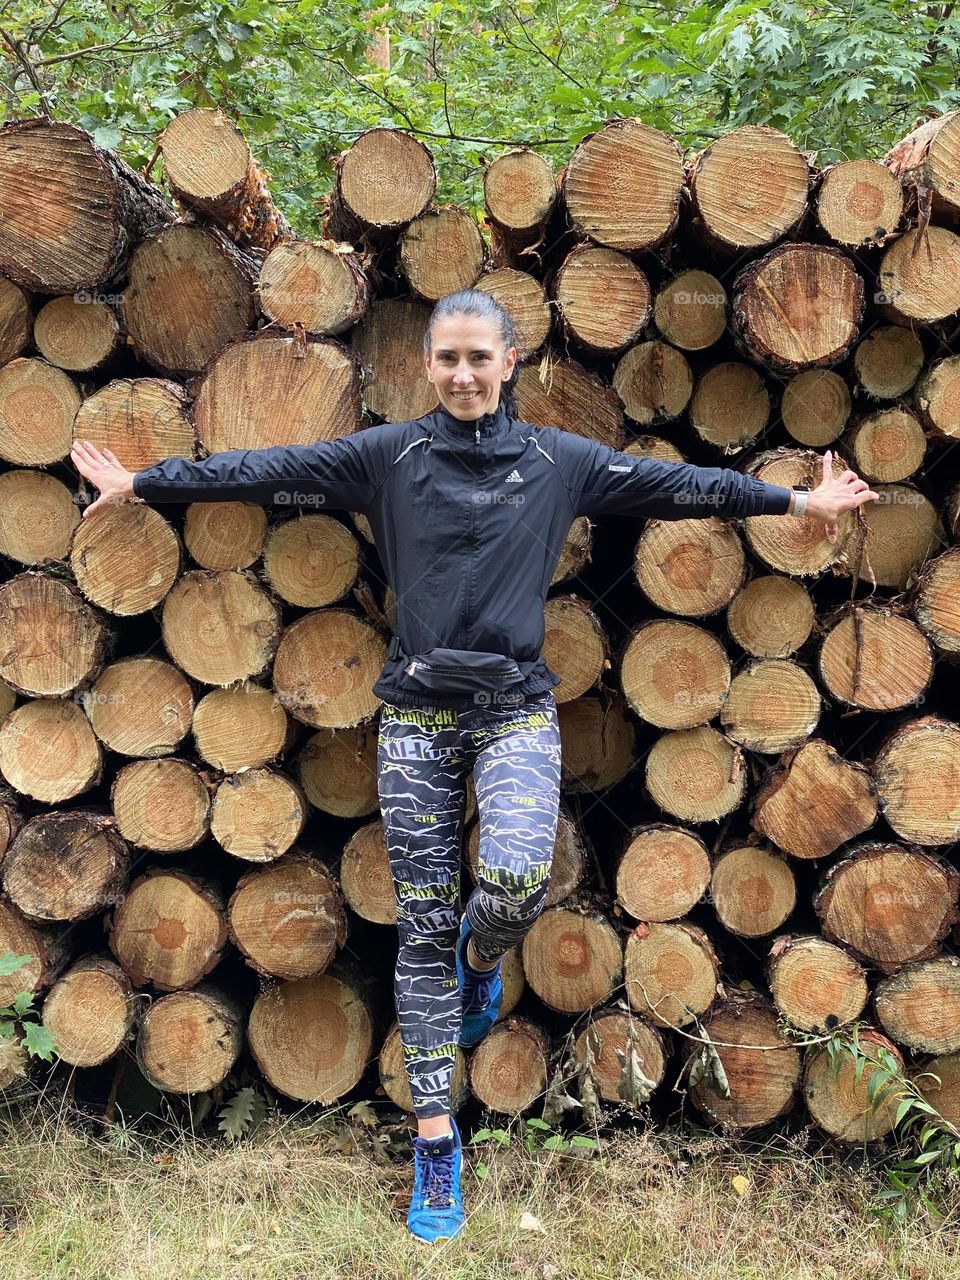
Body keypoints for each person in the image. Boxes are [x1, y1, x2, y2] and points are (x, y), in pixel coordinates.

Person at [71, 288, 879, 1244]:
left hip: (514, 712)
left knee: (513, 877)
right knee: (418, 923)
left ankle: (484, 955)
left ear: (508, 364)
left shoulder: (557, 460)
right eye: (445, 358)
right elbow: (270, 467)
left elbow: (682, 488)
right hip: (415, 716)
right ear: (426, 364)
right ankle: (434, 1138)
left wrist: (798, 498)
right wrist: (146, 484)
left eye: (477, 358)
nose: (461, 374)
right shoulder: (386, 457)